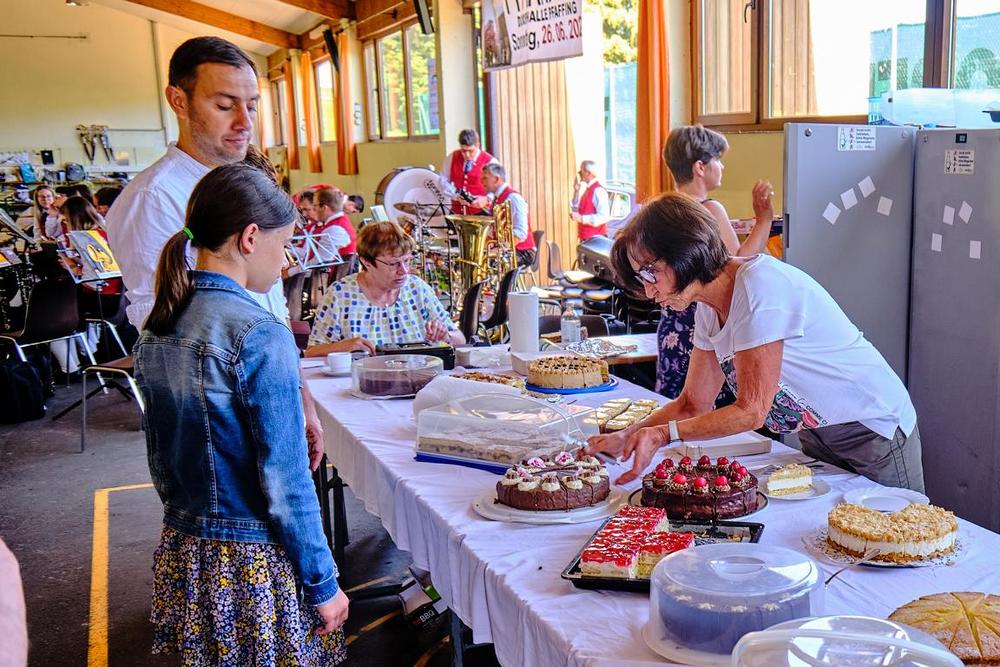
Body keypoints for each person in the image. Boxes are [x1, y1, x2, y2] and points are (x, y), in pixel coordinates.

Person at [135, 163, 348, 665]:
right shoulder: (259, 332)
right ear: (251, 238)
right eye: (285, 243)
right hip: (251, 562)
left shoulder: (160, 321)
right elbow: (287, 480)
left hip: (188, 549)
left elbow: (163, 456)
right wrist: (323, 582)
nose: (287, 258)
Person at [585, 193, 923, 492]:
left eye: (649, 273)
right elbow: (692, 403)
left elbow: (752, 411)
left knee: (900, 533)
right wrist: (628, 436)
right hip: (817, 432)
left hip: (871, 429)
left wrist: (662, 434)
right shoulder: (708, 308)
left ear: (684, 250)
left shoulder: (759, 285)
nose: (649, 291)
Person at [104, 36, 326, 469]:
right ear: (179, 101)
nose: (244, 122)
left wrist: (300, 398)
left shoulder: (242, 185)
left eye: (252, 106)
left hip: (270, 397)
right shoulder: (154, 198)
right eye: (225, 105)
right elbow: (166, 331)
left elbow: (272, 306)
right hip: (220, 425)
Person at [656, 125, 775, 400]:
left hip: (673, 325)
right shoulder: (708, 209)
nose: (721, 166)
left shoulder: (666, 209)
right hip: (704, 326)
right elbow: (739, 265)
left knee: (678, 407)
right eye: (718, 159)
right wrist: (764, 220)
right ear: (700, 167)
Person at [305, 221, 465, 357]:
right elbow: (311, 352)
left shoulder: (417, 288)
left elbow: (460, 339)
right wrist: (343, 346)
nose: (404, 270)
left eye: (407, 261)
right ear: (367, 262)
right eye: (394, 263)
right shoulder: (340, 294)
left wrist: (446, 336)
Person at [479, 163, 536, 268]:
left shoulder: (513, 198)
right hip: (508, 249)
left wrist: (499, 250)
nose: (481, 181)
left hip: (523, 252)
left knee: (488, 264)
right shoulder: (497, 199)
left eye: (485, 178)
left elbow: (520, 233)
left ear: (496, 179)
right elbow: (493, 231)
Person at [439, 129, 496, 214]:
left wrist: (487, 199)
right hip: (457, 211)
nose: (467, 155)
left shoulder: (490, 161)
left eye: (471, 151)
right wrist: (455, 194)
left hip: (482, 213)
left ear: (478, 145)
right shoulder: (452, 157)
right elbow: (443, 179)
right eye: (463, 151)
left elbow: (498, 186)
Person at [571, 160, 610, 241]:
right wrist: (576, 191)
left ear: (588, 173)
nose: (579, 173)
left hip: (596, 240)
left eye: (581, 170)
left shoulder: (598, 191)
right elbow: (576, 209)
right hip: (587, 239)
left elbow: (604, 217)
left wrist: (581, 218)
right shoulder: (588, 190)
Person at [312, 188, 354, 258]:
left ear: (324, 208)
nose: (313, 209)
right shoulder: (339, 221)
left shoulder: (335, 229)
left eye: (315, 206)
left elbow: (321, 260)